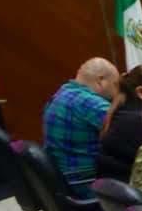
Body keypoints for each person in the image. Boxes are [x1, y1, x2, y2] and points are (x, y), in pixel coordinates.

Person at [43, 57, 122, 196]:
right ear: (101, 80)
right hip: (85, 183)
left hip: (64, 179)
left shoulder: (61, 93)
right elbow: (129, 132)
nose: (117, 90)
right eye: (116, 84)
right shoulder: (90, 103)